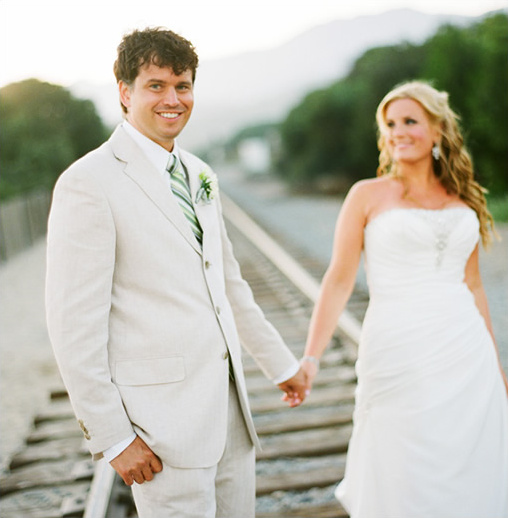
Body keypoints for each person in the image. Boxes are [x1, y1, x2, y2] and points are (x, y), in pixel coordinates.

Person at [45, 27, 308, 518]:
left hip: (230, 419)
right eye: (156, 85)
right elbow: (73, 327)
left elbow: (228, 285)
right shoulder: (88, 183)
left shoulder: (199, 172)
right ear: (125, 92)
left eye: (182, 85)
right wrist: (114, 439)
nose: (173, 98)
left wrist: (281, 365)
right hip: (161, 429)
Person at [300, 80, 508, 517]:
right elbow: (339, 279)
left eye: (410, 121)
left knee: (469, 460)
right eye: (390, 124)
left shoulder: (462, 198)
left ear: (437, 130)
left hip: (465, 352)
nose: (398, 131)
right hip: (397, 347)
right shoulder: (366, 195)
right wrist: (311, 357)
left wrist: (496, 366)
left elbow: (472, 286)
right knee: (402, 461)